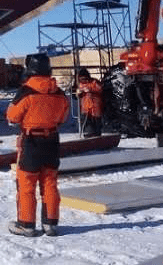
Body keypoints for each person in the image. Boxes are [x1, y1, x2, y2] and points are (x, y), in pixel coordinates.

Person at [6, 53, 69, 237]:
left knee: (26, 184)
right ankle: (50, 224)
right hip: (52, 142)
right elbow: (63, 117)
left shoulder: (26, 93)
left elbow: (12, 116)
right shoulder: (59, 93)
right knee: (50, 182)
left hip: (31, 143)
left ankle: (26, 224)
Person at [76, 68, 103, 137]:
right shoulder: (80, 85)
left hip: (95, 107)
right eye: (82, 79)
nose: (84, 80)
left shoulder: (94, 82)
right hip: (85, 108)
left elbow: (100, 89)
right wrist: (78, 93)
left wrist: (90, 90)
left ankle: (97, 135)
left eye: (85, 78)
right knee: (87, 123)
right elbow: (76, 95)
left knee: (96, 124)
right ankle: (88, 134)